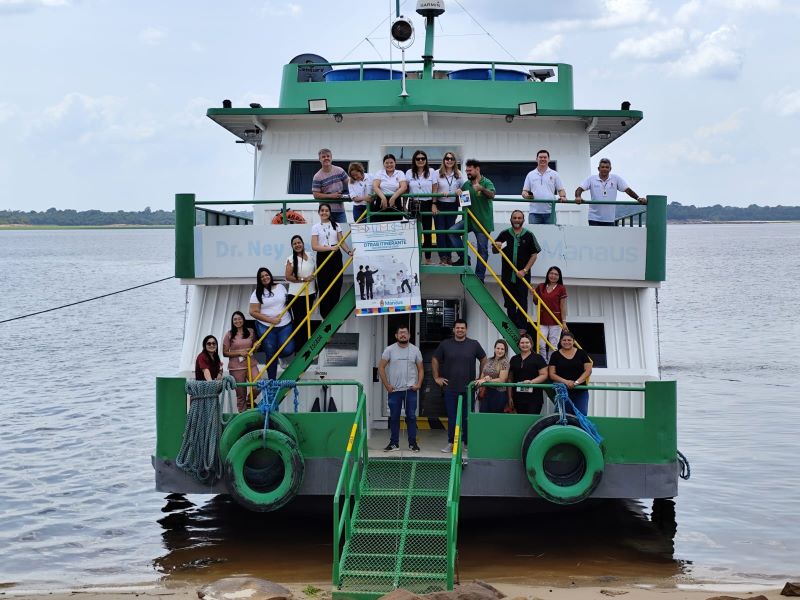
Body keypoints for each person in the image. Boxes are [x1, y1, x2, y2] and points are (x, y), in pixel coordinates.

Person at [432, 319, 487, 452]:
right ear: (453, 329)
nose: (460, 330)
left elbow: (484, 359)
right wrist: (436, 377)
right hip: (450, 388)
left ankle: (466, 443)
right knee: (452, 418)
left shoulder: (474, 344)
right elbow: (435, 359)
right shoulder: (445, 344)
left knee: (467, 418)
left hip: (468, 388)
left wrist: (480, 378)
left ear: (466, 330)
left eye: (462, 328)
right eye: (457, 328)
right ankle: (452, 442)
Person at [491, 209, 541, 335]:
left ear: (523, 220)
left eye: (519, 218)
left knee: (522, 301)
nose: (517, 220)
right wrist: (496, 246)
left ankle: (522, 328)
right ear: (511, 219)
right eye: (515, 218)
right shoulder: (504, 234)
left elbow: (534, 255)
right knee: (509, 301)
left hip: (523, 276)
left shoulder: (529, 235)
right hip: (507, 275)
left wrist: (525, 270)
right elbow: (494, 251)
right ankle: (512, 326)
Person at [446, 158, 495, 282]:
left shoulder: (486, 182)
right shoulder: (466, 184)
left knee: (482, 251)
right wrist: (458, 194)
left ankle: (480, 278)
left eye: (470, 170)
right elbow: (463, 203)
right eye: (466, 171)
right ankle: (464, 258)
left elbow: (492, 195)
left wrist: (482, 189)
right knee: (452, 231)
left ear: (477, 169)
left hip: (482, 222)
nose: (468, 173)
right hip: (468, 220)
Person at [378, 325, 424, 452]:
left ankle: (412, 443)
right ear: (396, 335)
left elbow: (421, 369)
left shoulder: (415, 350)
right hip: (394, 391)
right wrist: (387, 385)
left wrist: (419, 384)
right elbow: (381, 367)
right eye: (400, 333)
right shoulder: (389, 350)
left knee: (411, 417)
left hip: (411, 390)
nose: (403, 335)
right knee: (394, 417)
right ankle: (394, 443)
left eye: (405, 333)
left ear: (409, 335)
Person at [249, 267, 295, 380]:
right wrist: (271, 320)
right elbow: (253, 312)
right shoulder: (257, 293)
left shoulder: (280, 287)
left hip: (285, 323)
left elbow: (287, 302)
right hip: (265, 326)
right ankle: (272, 381)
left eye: (266, 275)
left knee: (288, 349)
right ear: (259, 279)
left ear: (270, 275)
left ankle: (280, 357)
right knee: (270, 352)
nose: (265, 277)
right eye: (262, 277)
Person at [574, 158, 647, 226]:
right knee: (595, 236)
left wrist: (638, 198)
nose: (604, 169)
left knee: (608, 236)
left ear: (610, 169)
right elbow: (579, 189)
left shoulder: (616, 178)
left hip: (609, 218)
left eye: (607, 167)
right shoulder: (591, 179)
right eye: (602, 167)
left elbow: (627, 190)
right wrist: (578, 197)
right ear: (598, 168)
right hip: (593, 217)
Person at [311, 203, 353, 319]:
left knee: (337, 283)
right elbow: (314, 246)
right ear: (319, 212)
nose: (324, 212)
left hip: (335, 256)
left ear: (330, 213)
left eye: (326, 210)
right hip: (323, 256)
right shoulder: (315, 227)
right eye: (322, 210)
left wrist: (349, 252)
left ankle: (334, 312)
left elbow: (341, 242)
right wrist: (330, 248)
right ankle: (325, 315)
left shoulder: (336, 225)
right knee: (324, 284)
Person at [406, 150, 439, 264]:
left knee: (427, 231)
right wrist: (404, 205)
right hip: (413, 203)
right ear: (414, 160)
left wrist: (434, 204)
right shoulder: (409, 172)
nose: (420, 160)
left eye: (423, 158)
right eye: (418, 158)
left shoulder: (431, 171)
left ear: (426, 160)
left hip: (427, 203)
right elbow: (406, 189)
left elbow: (435, 188)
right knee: (413, 232)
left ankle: (428, 258)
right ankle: (414, 258)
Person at [548, 330, 592, 415]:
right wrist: (566, 382)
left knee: (581, 414)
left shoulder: (581, 353)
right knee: (564, 415)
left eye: (569, 340)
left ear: (573, 341)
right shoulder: (555, 355)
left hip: (580, 390)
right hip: (562, 390)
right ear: (560, 341)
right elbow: (552, 374)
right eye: (564, 340)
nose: (566, 342)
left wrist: (576, 383)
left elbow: (588, 370)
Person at [284, 235, 316, 351]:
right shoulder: (290, 259)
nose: (297, 245)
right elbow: (288, 277)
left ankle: (306, 347)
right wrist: (304, 279)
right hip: (296, 295)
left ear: (302, 243)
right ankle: (299, 349)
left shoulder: (311, 255)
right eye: (294, 244)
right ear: (292, 246)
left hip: (310, 293)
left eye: (299, 242)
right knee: (299, 323)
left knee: (306, 320)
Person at [222, 312, 259, 412]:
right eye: (235, 319)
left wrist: (256, 347)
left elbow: (254, 349)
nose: (237, 321)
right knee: (240, 394)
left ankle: (249, 401)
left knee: (258, 385)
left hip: (251, 364)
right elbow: (225, 353)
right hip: (236, 368)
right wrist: (239, 353)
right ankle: (242, 413)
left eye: (240, 318)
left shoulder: (250, 331)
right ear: (232, 321)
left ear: (243, 319)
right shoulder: (229, 334)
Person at [507, 334, 549, 414]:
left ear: (531, 344)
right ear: (519, 345)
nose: (524, 345)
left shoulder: (538, 358)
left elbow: (544, 375)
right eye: (522, 343)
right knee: (521, 420)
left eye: (527, 342)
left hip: (534, 398)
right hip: (518, 398)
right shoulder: (514, 359)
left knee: (532, 420)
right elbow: (510, 379)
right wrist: (509, 397)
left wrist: (531, 382)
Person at [435, 152, 464, 265]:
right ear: (444, 160)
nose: (449, 160)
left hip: (452, 205)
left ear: (455, 161)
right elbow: (434, 189)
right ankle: (443, 257)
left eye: (452, 159)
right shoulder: (437, 173)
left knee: (450, 231)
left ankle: (449, 256)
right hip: (440, 204)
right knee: (440, 231)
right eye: (447, 158)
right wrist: (439, 194)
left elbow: (463, 188)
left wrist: (459, 191)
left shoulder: (458, 174)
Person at [522, 149, 566, 224]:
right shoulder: (530, 174)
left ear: (549, 159)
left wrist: (563, 197)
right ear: (536, 159)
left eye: (545, 157)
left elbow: (561, 190)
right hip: (534, 213)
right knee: (534, 232)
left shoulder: (555, 174)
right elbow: (524, 191)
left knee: (551, 231)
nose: (543, 159)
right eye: (540, 157)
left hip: (550, 212)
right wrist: (526, 195)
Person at [533, 266, 568, 361]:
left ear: (559, 277)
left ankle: (551, 364)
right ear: (548, 274)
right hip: (542, 320)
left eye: (556, 274)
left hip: (556, 321)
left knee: (553, 345)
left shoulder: (561, 288)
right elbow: (536, 302)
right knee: (541, 344)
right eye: (551, 273)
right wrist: (534, 294)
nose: (553, 276)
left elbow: (563, 306)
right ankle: (543, 364)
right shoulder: (541, 286)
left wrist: (564, 322)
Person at [312, 148, 349, 224]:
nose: (326, 158)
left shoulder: (340, 170)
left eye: (328, 156)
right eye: (323, 157)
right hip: (326, 212)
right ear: (320, 159)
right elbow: (316, 195)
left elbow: (350, 183)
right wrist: (331, 196)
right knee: (328, 231)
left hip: (340, 210)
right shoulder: (317, 176)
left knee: (344, 230)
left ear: (331, 158)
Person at [476, 339, 510, 414]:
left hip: (498, 394)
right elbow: (482, 375)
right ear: (494, 349)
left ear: (505, 351)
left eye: (502, 349)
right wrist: (484, 379)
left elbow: (502, 380)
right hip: (486, 392)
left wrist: (487, 380)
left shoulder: (505, 362)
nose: (499, 351)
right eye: (498, 348)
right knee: (483, 415)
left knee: (495, 418)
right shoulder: (489, 360)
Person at [372, 154, 408, 221]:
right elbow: (375, 186)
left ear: (395, 163)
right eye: (387, 163)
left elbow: (404, 187)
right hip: (381, 201)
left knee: (396, 223)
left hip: (396, 200)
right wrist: (383, 198)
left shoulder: (400, 173)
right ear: (383, 164)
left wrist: (393, 198)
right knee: (380, 223)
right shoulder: (379, 173)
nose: (389, 165)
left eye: (391, 162)